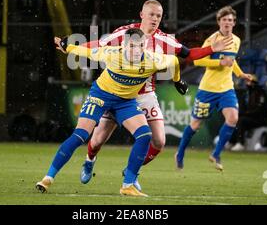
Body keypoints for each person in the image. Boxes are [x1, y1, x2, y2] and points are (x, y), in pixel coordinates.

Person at [78, 0, 233, 190]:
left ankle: (131, 172)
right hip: (118, 93)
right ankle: (89, 160)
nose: (155, 19)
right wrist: (73, 47)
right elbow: (97, 45)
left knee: (159, 141)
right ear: (141, 14)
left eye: (159, 16)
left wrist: (211, 49)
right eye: (151, 14)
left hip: (146, 95)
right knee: (98, 139)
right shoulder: (125, 33)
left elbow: (188, 54)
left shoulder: (164, 39)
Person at [36, 28, 184, 197]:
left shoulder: (153, 60)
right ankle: (48, 178)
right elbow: (85, 52)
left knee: (144, 135)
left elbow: (174, 61)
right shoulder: (111, 53)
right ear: (124, 45)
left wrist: (178, 81)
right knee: (81, 135)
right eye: (132, 46)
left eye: (140, 46)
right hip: (101, 96)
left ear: (145, 45)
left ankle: (127, 185)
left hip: (125, 102)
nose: (136, 50)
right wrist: (67, 47)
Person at [175, 6, 253, 171]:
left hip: (226, 89)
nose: (227, 23)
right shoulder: (212, 40)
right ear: (219, 22)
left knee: (232, 118)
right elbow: (198, 61)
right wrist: (219, 62)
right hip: (208, 90)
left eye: (230, 20)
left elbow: (232, 61)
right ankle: (180, 153)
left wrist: (240, 74)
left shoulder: (236, 40)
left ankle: (216, 154)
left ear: (234, 23)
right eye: (224, 20)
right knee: (195, 125)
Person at [229, 80, 267, 151]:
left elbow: (259, 110)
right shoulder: (247, 93)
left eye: (250, 82)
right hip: (250, 117)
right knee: (235, 119)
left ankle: (241, 143)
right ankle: (231, 141)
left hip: (260, 119)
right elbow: (242, 106)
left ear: (254, 83)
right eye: (247, 82)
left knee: (242, 121)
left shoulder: (260, 93)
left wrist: (245, 114)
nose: (248, 84)